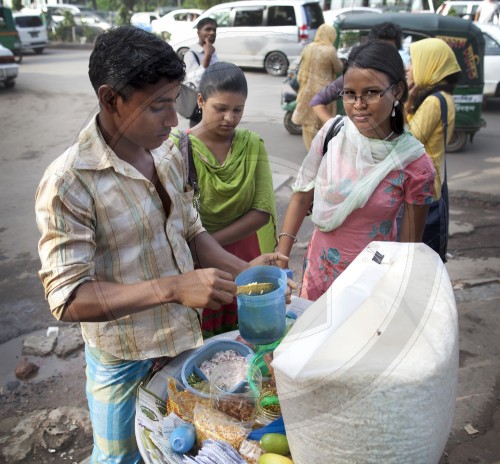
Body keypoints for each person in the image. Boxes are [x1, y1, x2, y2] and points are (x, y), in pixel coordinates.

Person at [35, 26, 289, 463]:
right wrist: (172, 287)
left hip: (182, 341)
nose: (174, 120)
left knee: (182, 443)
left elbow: (189, 228)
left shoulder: (169, 152)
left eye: (175, 103)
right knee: (120, 457)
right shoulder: (69, 183)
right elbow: (67, 297)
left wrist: (239, 271)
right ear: (111, 98)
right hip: (124, 356)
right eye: (158, 106)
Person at [277, 40, 435, 301]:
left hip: (371, 285)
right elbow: (302, 196)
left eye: (371, 93)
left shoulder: (414, 164)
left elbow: (408, 250)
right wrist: (281, 263)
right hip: (318, 273)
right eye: (350, 94)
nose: (358, 104)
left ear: (396, 91)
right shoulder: (332, 134)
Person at [170, 62, 278, 338]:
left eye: (238, 110)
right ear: (201, 101)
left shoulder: (252, 144)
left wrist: (208, 244)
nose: (230, 117)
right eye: (221, 108)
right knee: (203, 341)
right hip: (198, 267)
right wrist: (204, 250)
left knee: (247, 335)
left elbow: (262, 210)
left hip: (242, 254)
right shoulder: (177, 147)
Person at [405, 38, 461, 262]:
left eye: (414, 61)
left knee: (415, 257)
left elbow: (408, 141)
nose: (409, 67)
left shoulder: (433, 102)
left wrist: (406, 100)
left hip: (423, 190)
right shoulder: (441, 98)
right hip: (430, 187)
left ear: (430, 64)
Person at [311, 22, 410, 125]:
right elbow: (317, 101)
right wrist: (336, 128)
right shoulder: (355, 78)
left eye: (389, 52)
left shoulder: (405, 80)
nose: (359, 105)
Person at [291, 23, 343, 151]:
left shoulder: (308, 48)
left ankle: (311, 150)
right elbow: (339, 68)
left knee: (308, 124)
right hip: (324, 92)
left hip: (307, 90)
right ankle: (321, 151)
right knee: (323, 124)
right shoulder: (330, 50)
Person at [184, 17, 218, 126]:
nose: (212, 33)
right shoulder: (191, 54)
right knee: (197, 138)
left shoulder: (212, 51)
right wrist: (207, 55)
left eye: (214, 30)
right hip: (198, 106)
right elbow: (194, 80)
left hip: (213, 102)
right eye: (207, 29)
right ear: (198, 32)